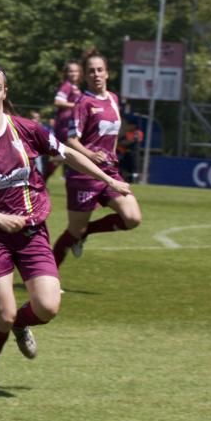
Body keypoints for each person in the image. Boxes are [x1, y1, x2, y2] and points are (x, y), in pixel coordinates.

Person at [0, 63, 131, 394]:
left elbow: (68, 153)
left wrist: (107, 178)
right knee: (5, 312)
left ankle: (21, 326)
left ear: (5, 92)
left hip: (31, 232)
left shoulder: (27, 130)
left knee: (48, 307)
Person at [51, 50, 142, 267]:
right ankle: (46, 278)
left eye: (100, 70)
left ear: (107, 73)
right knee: (74, 231)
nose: (96, 74)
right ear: (86, 76)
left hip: (110, 171)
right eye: (91, 71)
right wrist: (91, 154)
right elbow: (71, 140)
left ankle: (87, 232)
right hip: (84, 174)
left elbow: (108, 133)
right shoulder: (83, 103)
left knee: (132, 218)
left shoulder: (113, 99)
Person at [47, 60, 83, 182]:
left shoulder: (75, 87)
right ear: (66, 73)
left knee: (64, 154)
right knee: (64, 153)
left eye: (76, 71)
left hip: (71, 125)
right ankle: (41, 178)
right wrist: (76, 106)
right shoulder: (67, 86)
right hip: (64, 126)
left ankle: (42, 179)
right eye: (70, 71)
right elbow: (58, 101)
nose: (73, 73)